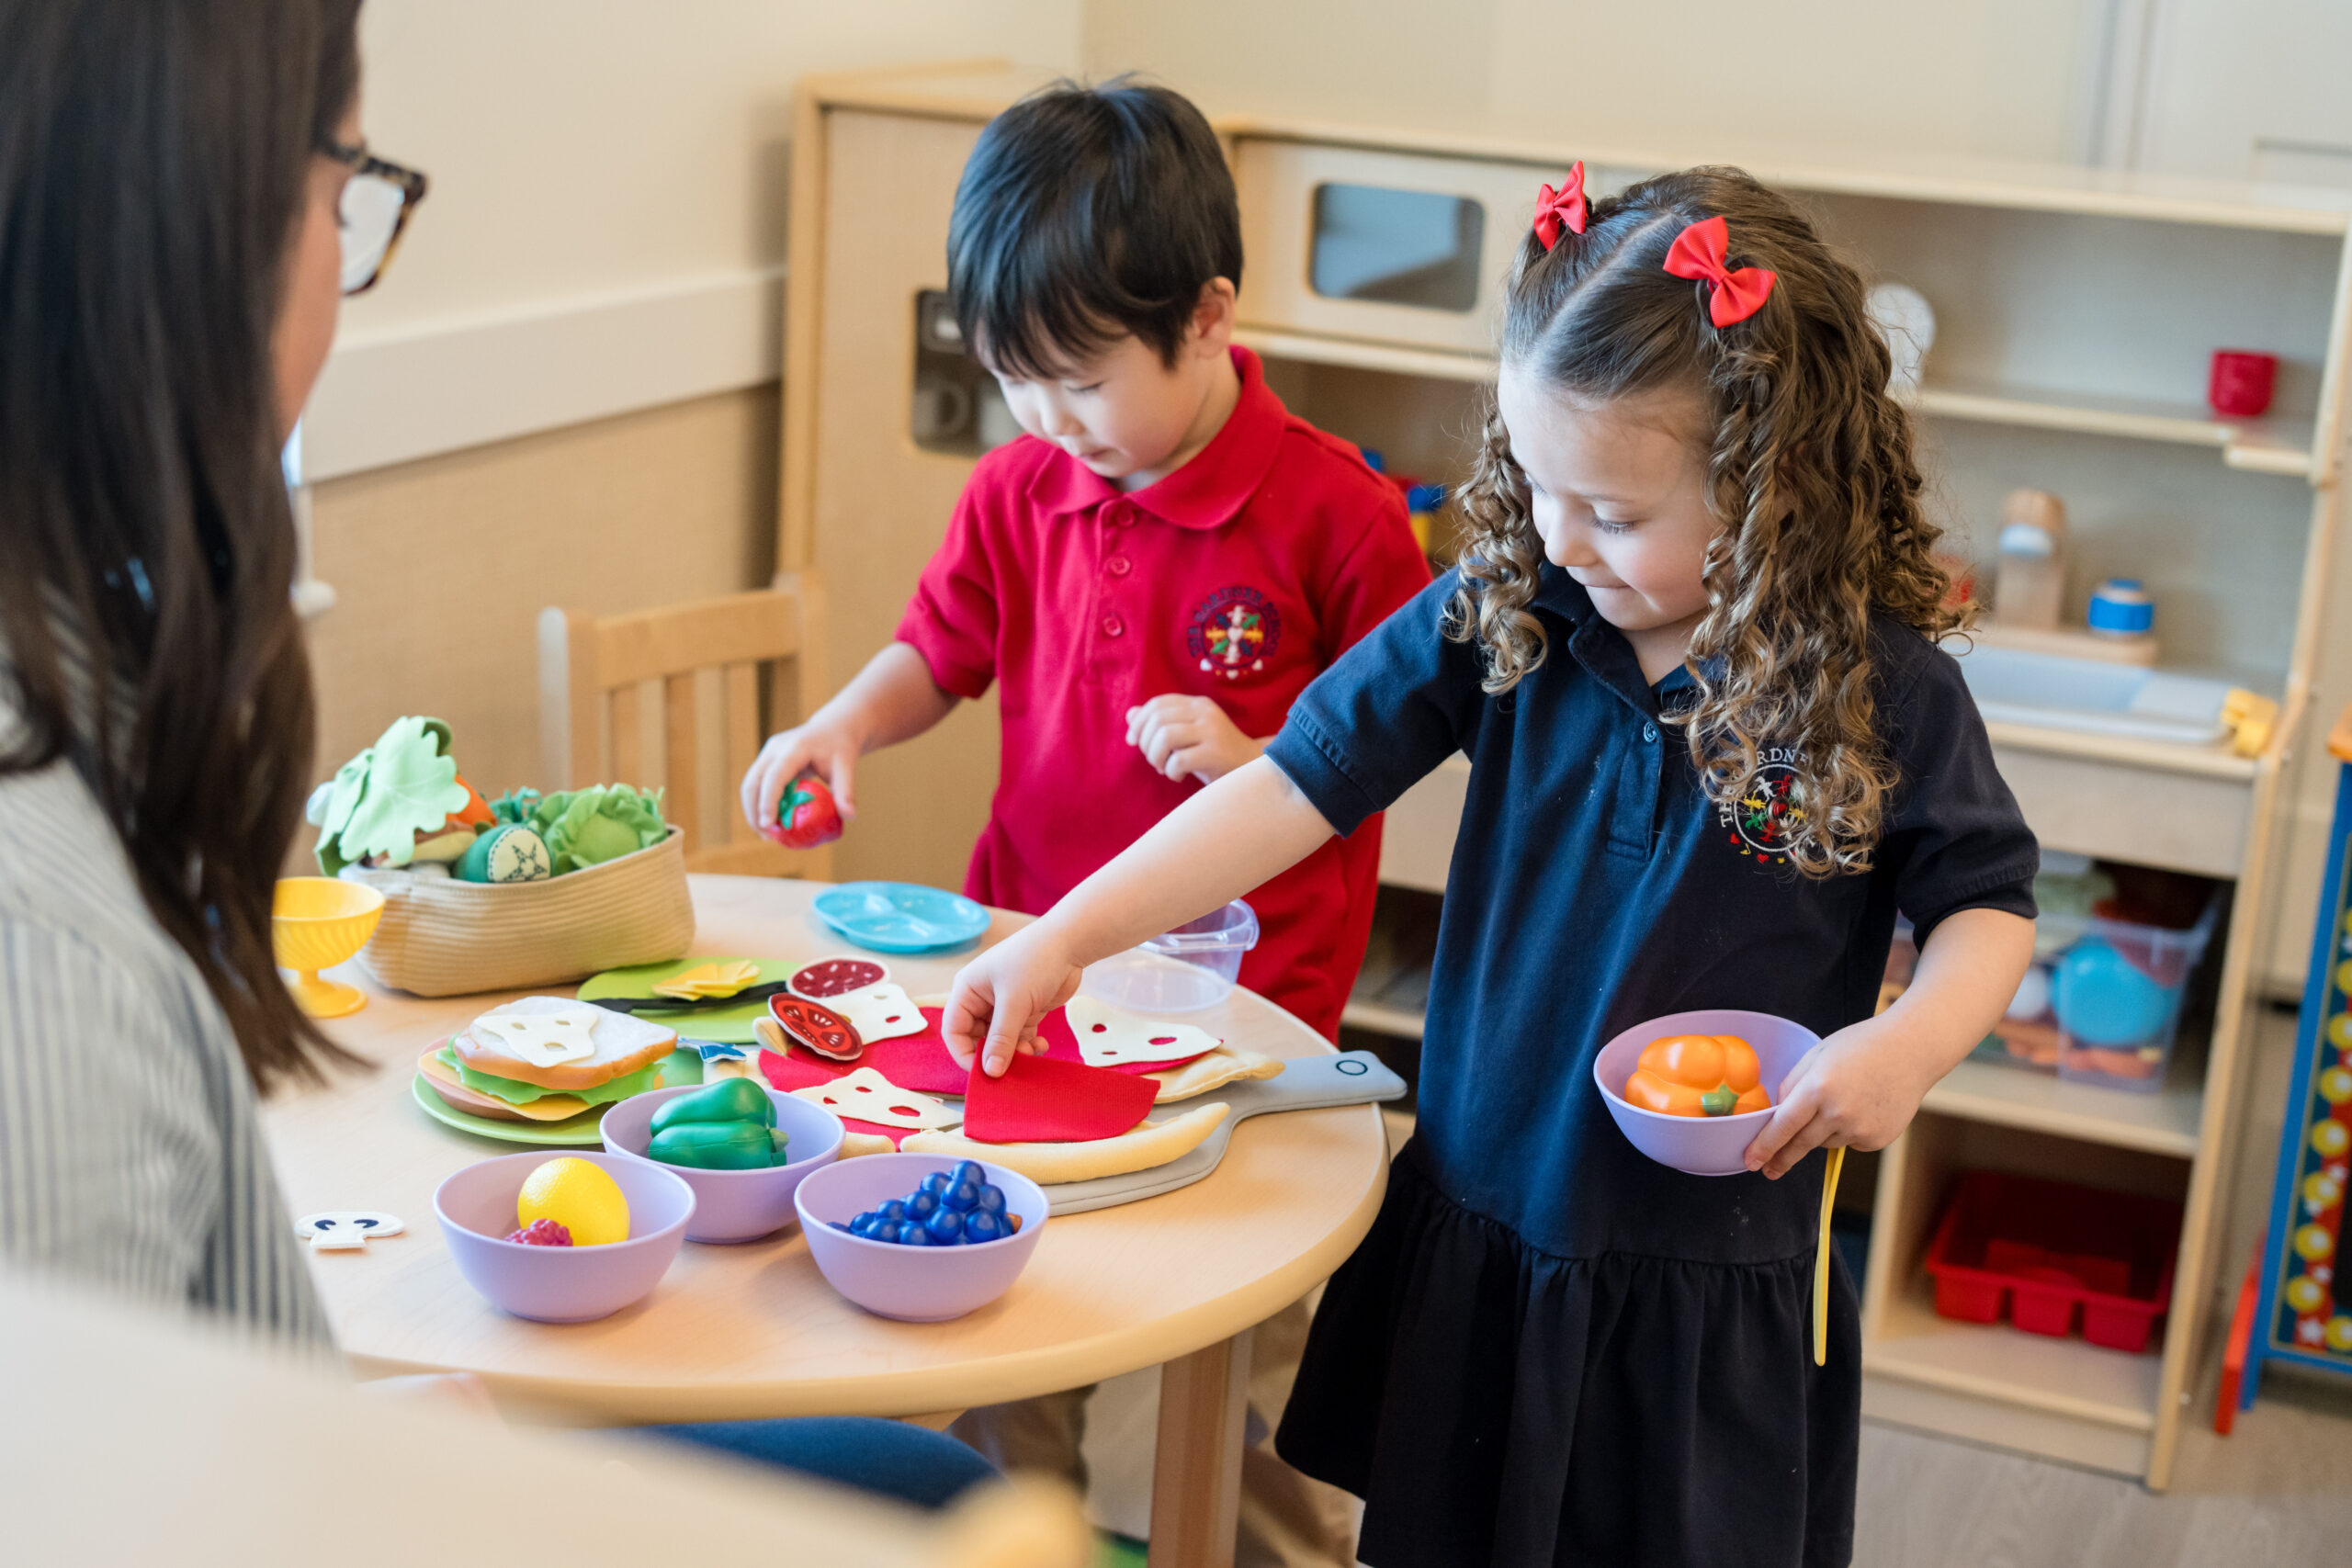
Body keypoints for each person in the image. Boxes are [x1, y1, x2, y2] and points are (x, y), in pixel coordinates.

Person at [941, 164, 2040, 1567]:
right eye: (1539, 485)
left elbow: (1986, 907)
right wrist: (1066, 935)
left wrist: (1910, 1045)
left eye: (1619, 512)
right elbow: (1291, 786)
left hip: (1710, 1275)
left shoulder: (1881, 687)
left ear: (1778, 486)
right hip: (1486, 1232)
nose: (1565, 541)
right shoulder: (1506, 611)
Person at [0, 0, 989, 1512]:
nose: (348, 258)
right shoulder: (52, 966)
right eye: (342, 194)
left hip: (296, 1454)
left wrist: (385, 1440)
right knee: (945, 1504)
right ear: (197, 238)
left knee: (924, 1484)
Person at [741, 81, 1430, 1562]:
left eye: (1084, 378)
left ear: (1210, 317)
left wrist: (1265, 753)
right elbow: (940, 650)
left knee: (1221, 1376)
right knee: (1014, 1331)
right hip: (1019, 992)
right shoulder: (1019, 489)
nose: (1052, 420)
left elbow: (1393, 750)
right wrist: (843, 725)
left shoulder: (1344, 519)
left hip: (1242, 1021)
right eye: (1017, 380)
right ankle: (1020, 1533)